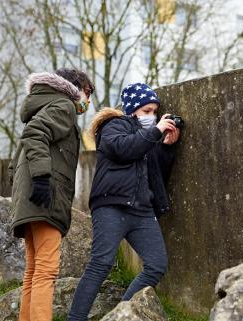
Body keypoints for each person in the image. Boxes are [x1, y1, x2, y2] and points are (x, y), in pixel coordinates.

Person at [67, 83, 180, 321]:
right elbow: (124, 149)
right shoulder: (113, 126)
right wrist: (155, 132)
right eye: (147, 111)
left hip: (141, 210)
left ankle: (122, 314)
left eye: (155, 111)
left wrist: (167, 148)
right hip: (111, 205)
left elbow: (155, 174)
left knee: (156, 265)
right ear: (132, 110)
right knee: (101, 263)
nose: (153, 116)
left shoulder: (149, 137)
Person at [9, 68, 94, 321]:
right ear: (73, 88)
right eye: (87, 93)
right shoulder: (64, 106)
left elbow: (14, 165)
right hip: (45, 197)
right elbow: (35, 134)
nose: (87, 101)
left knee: (34, 270)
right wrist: (43, 179)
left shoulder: (39, 108)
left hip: (29, 200)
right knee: (46, 271)